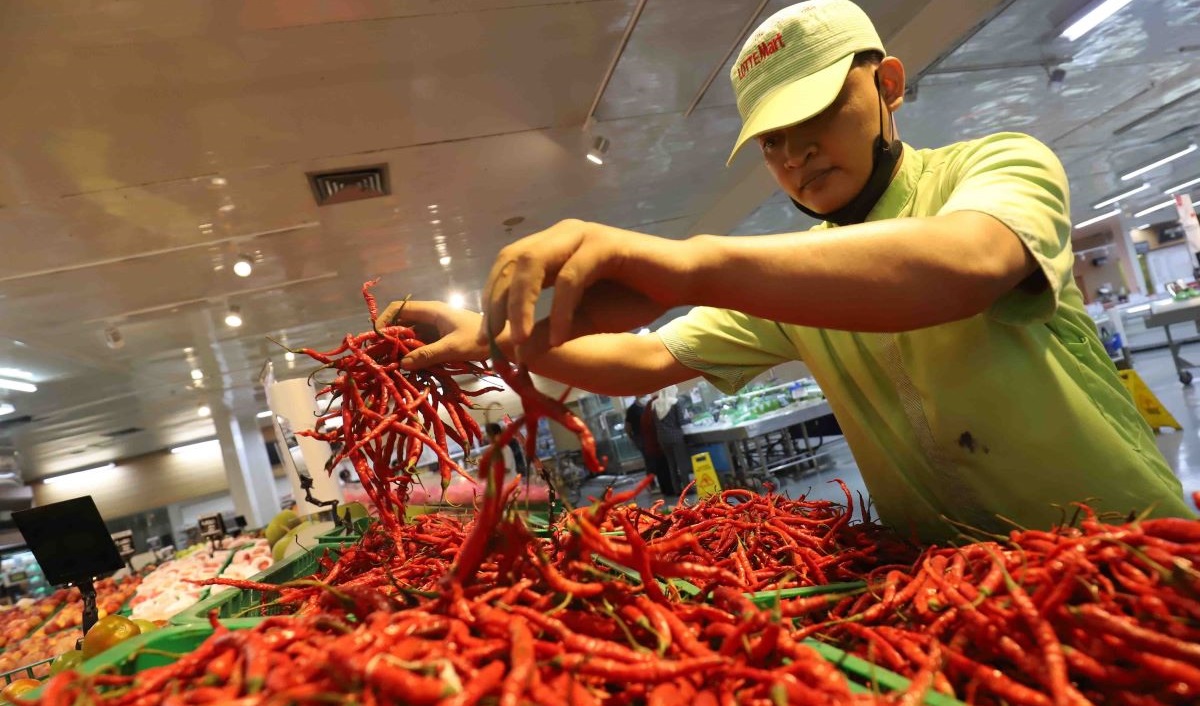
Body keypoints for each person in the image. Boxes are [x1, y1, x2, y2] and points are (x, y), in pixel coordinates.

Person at [380, 0, 1193, 541]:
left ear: (889, 85)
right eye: (772, 140)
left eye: (818, 114)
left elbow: (968, 263)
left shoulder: (996, 165)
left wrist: (685, 264)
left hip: (1126, 554)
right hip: (960, 592)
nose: (796, 153)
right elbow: (644, 358)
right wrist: (499, 336)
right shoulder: (790, 281)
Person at [651, 387, 690, 495]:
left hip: (662, 438)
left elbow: (655, 422)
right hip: (676, 437)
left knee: (671, 465)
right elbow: (681, 421)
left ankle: (676, 489)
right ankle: (687, 488)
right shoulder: (674, 402)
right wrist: (689, 418)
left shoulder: (654, 404)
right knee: (682, 464)